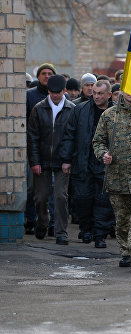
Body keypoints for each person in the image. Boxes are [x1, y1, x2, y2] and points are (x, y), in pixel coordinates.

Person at [92, 91, 131, 270]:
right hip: (117, 177)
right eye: (127, 89)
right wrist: (103, 154)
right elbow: (98, 141)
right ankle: (126, 252)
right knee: (122, 219)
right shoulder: (110, 115)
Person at [60, 80, 116, 248]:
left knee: (104, 201)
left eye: (100, 94)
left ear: (109, 95)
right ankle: (86, 229)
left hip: (106, 164)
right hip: (83, 161)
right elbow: (70, 135)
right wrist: (66, 159)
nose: (96, 96)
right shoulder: (81, 110)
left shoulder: (116, 113)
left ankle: (100, 235)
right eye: (94, 93)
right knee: (82, 199)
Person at [27, 74, 75, 245]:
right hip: (43, 158)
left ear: (64, 91)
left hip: (63, 160)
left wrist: (68, 159)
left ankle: (61, 232)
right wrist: (35, 161)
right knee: (40, 197)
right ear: (48, 91)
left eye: (58, 92)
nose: (55, 95)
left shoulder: (71, 109)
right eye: (52, 92)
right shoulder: (39, 109)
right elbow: (33, 137)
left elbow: (72, 137)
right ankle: (42, 222)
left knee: (61, 196)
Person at [25, 63, 57, 235]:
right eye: (43, 73)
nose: (47, 76)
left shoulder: (59, 97)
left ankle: (50, 223)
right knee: (32, 189)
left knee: (53, 190)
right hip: (34, 149)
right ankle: (31, 219)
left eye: (50, 73)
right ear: (38, 76)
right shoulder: (30, 96)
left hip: (53, 151)